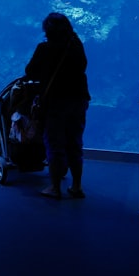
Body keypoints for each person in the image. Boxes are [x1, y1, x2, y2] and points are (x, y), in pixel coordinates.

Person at [24, 12, 91, 200]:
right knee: (75, 142)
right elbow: (83, 66)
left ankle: (54, 187)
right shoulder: (76, 45)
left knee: (54, 143)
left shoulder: (44, 48)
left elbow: (30, 72)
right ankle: (76, 186)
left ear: (47, 31)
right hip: (79, 99)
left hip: (55, 101)